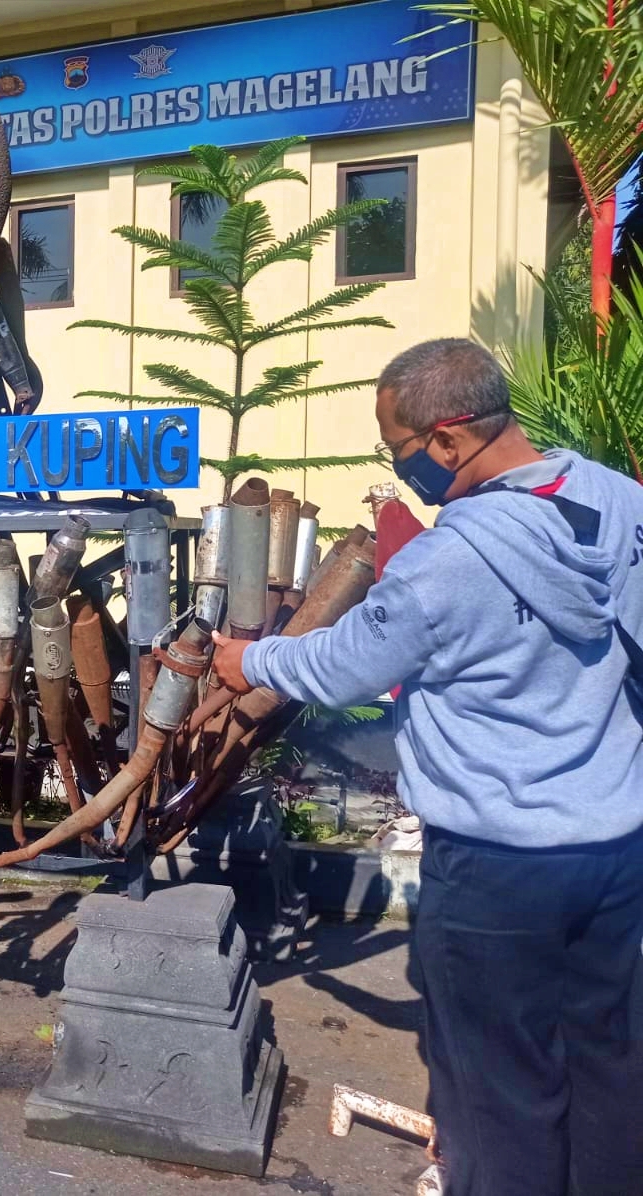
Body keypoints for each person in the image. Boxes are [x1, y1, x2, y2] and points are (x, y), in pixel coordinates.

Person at [210, 339, 643, 1196]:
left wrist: (247, 660)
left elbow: (343, 667)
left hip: (494, 868)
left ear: (448, 439)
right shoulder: (620, 503)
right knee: (609, 1066)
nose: (399, 468)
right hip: (615, 851)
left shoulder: (446, 562)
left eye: (399, 449)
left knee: (498, 1096)